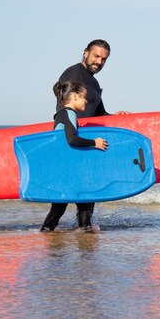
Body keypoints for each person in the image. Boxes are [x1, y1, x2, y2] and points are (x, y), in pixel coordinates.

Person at [42, 39, 128, 232]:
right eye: (96, 56)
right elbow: (66, 105)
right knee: (75, 198)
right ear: (86, 53)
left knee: (84, 199)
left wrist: (115, 117)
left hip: (86, 146)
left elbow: (99, 113)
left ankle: (74, 233)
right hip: (74, 145)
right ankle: (78, 236)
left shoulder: (94, 83)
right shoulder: (73, 73)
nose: (99, 61)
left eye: (104, 59)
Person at [40, 80, 108, 232]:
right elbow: (72, 139)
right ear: (75, 97)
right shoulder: (69, 113)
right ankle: (85, 237)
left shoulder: (61, 114)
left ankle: (46, 232)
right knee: (84, 203)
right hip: (67, 171)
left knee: (59, 207)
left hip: (62, 169)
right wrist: (94, 143)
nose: (87, 100)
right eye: (84, 97)